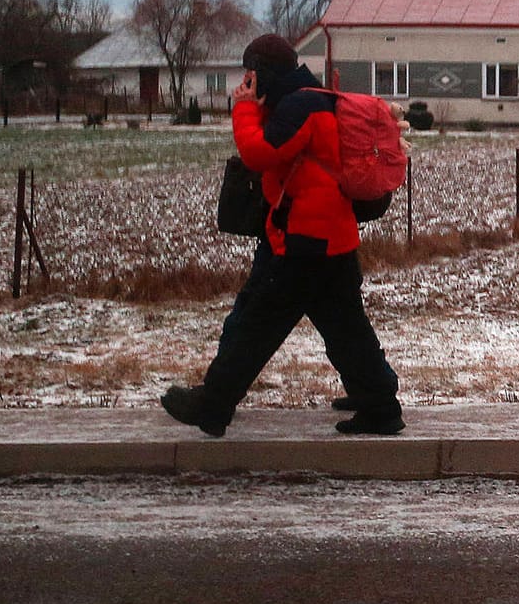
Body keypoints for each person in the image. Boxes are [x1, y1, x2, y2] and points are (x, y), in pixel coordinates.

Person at [161, 34, 404, 437]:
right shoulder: (310, 97)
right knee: (345, 328)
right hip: (330, 237)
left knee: (258, 324)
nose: (246, 80)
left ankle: (213, 405)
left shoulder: (299, 106)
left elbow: (260, 153)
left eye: (250, 72)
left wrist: (242, 110)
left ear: (263, 71)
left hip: (304, 241)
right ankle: (380, 406)